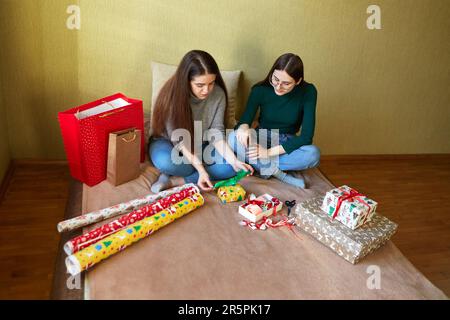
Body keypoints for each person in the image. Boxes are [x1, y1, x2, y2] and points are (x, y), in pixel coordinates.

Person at [149, 50, 253, 193]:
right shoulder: (172, 97)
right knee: (168, 161)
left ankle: (174, 180)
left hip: (202, 145)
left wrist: (234, 161)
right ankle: (187, 172)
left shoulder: (218, 94)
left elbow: (216, 132)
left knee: (231, 166)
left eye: (211, 83)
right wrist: (201, 169)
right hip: (170, 144)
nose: (207, 90)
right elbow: (179, 142)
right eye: (200, 85)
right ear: (186, 81)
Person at [228, 53, 320, 188]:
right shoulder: (260, 90)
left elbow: (306, 137)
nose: (278, 86)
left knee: (313, 154)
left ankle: (262, 167)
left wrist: (268, 153)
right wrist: (243, 128)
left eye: (286, 83)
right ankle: (280, 175)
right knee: (232, 137)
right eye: (275, 79)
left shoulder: (308, 91)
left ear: (298, 81)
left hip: (285, 142)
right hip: (261, 138)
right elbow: (244, 121)